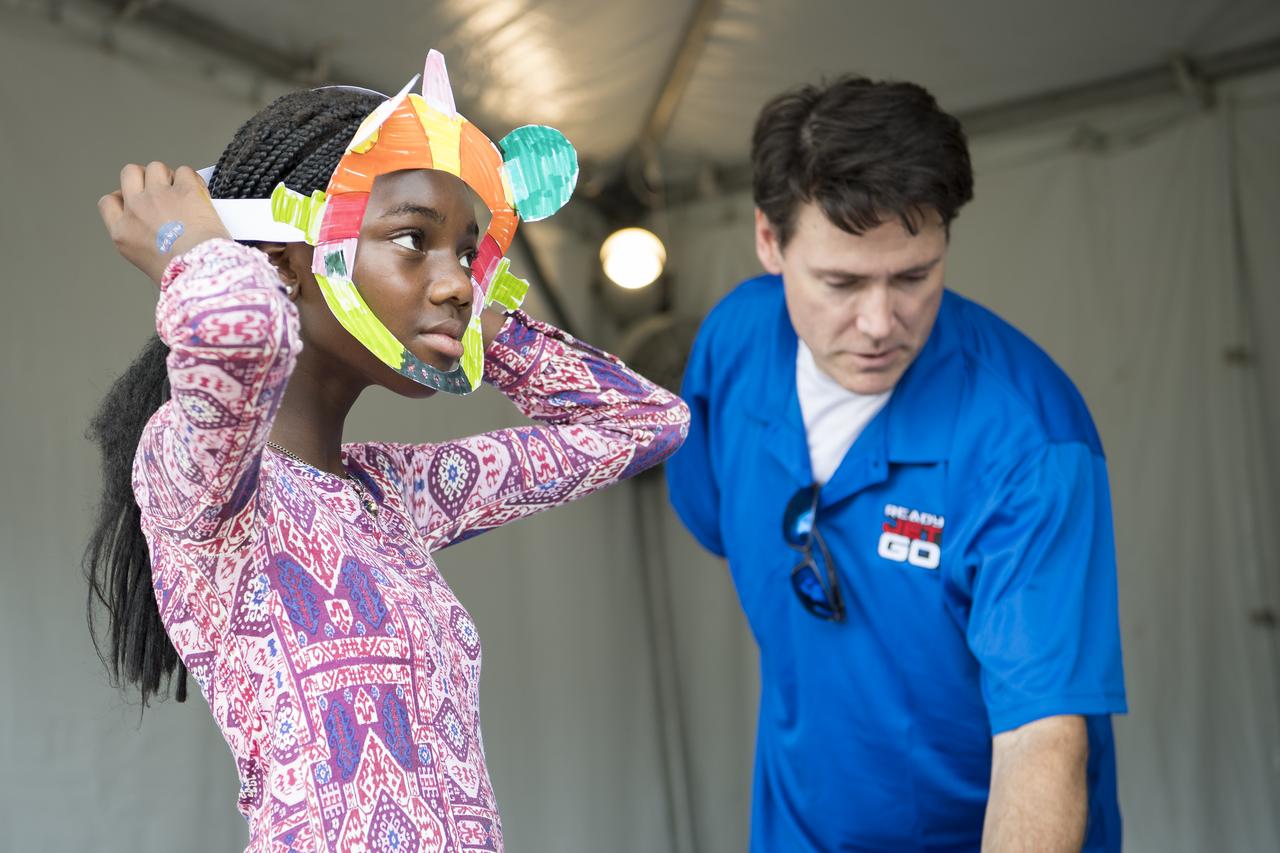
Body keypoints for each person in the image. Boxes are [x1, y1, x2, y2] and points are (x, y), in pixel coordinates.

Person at [86, 80, 688, 851]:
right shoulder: (197, 476)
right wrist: (189, 248)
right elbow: (241, 332)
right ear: (283, 259)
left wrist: (482, 316)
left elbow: (644, 422)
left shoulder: (394, 493)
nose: (455, 282)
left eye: (468, 253)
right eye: (413, 239)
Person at [666, 75, 1127, 851]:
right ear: (769, 243)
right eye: (841, 282)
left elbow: (1042, 739)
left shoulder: (1027, 439)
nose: (881, 323)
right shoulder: (734, 347)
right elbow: (727, 528)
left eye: (914, 276)